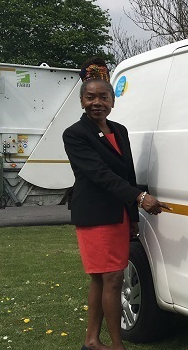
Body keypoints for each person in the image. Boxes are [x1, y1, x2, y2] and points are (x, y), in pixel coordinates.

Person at [63, 58, 170, 350]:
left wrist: (133, 214)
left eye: (103, 96)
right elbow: (99, 174)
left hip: (120, 214)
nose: (97, 102)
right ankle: (116, 345)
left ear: (113, 100)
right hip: (95, 215)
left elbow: (127, 173)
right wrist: (139, 197)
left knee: (103, 279)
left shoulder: (120, 131)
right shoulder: (75, 134)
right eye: (90, 97)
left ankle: (92, 340)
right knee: (110, 279)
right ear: (82, 101)